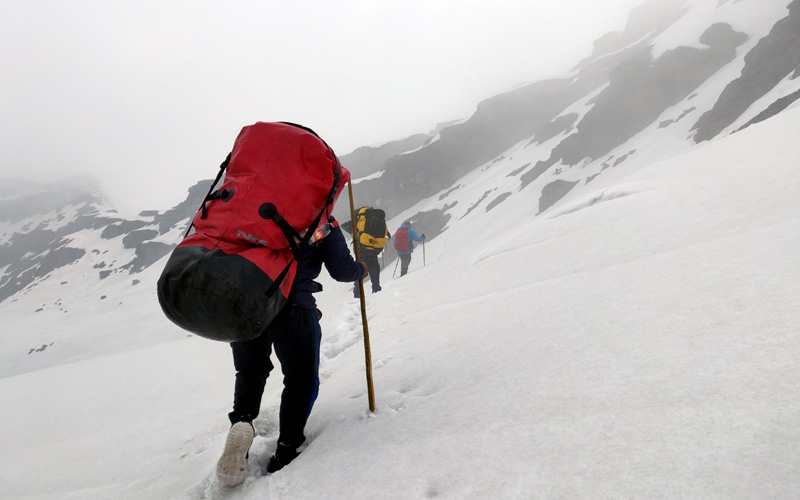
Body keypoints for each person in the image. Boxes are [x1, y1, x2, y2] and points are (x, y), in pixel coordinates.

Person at [216, 217, 368, 485]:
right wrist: (361, 269)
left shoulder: (249, 207)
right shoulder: (318, 216)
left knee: (250, 371)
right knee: (301, 380)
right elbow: (341, 270)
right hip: (293, 306)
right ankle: (287, 448)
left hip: (243, 307)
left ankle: (242, 422)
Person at [353, 223, 391, 298]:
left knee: (359, 277)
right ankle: (377, 294)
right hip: (373, 257)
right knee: (375, 278)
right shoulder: (377, 225)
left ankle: (357, 295)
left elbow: (344, 226)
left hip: (361, 257)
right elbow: (388, 235)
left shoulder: (359, 225)